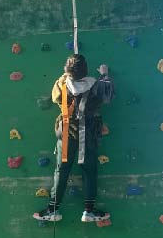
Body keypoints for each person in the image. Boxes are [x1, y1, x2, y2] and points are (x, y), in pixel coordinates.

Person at [33, 53, 115, 223]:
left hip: (67, 133)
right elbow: (108, 94)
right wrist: (104, 74)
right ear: (86, 70)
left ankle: (52, 209)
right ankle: (89, 211)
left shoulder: (62, 85)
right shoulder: (96, 85)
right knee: (89, 171)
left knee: (61, 170)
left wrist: (64, 77)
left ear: (67, 71)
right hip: (89, 134)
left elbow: (55, 97)